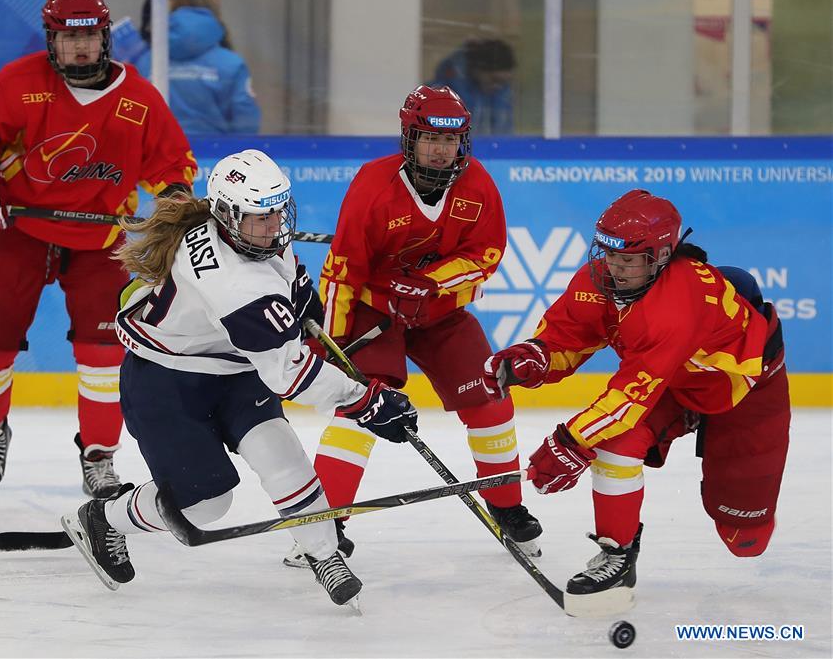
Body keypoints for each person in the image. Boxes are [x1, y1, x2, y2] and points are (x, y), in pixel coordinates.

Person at [60, 150, 418, 606]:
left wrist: (301, 302)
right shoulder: (232, 284)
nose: (274, 226)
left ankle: (323, 553)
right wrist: (365, 401)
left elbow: (286, 280)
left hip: (232, 368)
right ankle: (105, 518)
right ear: (227, 214)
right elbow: (289, 375)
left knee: (280, 452)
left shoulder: (249, 234)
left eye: (277, 211)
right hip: (166, 383)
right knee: (207, 503)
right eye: (260, 217)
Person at [483, 189, 789, 615]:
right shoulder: (600, 279)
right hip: (669, 383)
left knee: (745, 538)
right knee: (614, 443)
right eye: (608, 255)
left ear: (661, 257)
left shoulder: (679, 302)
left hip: (743, 386)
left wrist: (569, 444)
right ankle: (617, 556)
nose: (613, 268)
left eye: (627, 260)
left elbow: (629, 396)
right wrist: (532, 358)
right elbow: (566, 338)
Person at [0, 0, 198, 503]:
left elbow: (171, 163)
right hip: (17, 231)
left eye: (87, 35)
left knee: (104, 354)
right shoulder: (19, 84)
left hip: (102, 238)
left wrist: (176, 202)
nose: (79, 47)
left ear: (105, 37)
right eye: (68, 37)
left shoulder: (138, 98)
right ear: (51, 39)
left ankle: (99, 455)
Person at [284, 85, 542, 567]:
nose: (443, 150)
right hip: (372, 313)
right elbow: (343, 271)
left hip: (441, 314)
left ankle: (506, 506)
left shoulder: (477, 185)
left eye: (453, 140)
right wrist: (335, 343)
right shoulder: (372, 185)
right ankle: (326, 525)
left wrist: (431, 281)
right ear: (409, 137)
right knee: (361, 405)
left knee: (490, 399)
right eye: (431, 139)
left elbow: (486, 256)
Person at [136, 0, 260, 135]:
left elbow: (134, 116)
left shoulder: (147, 61)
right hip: (216, 153)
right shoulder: (231, 63)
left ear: (176, 4)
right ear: (215, 9)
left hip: (162, 154)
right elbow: (245, 120)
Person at [430, 38, 516, 135]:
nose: (498, 87)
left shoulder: (501, 94)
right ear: (477, 70)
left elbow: (504, 134)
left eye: (504, 82)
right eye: (494, 80)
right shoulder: (443, 93)